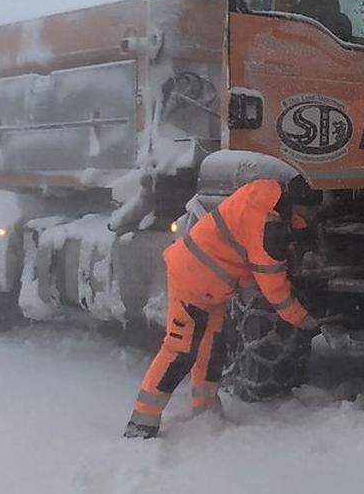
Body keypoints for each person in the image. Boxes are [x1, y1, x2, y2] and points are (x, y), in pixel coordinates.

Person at [124, 175, 321, 439]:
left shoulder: (265, 195)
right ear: (297, 204)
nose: (308, 217)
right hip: (193, 279)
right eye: (308, 211)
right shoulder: (269, 227)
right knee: (180, 349)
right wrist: (301, 318)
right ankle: (142, 421)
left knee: (212, 346)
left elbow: (249, 250)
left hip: (211, 284)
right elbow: (273, 287)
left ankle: (204, 409)